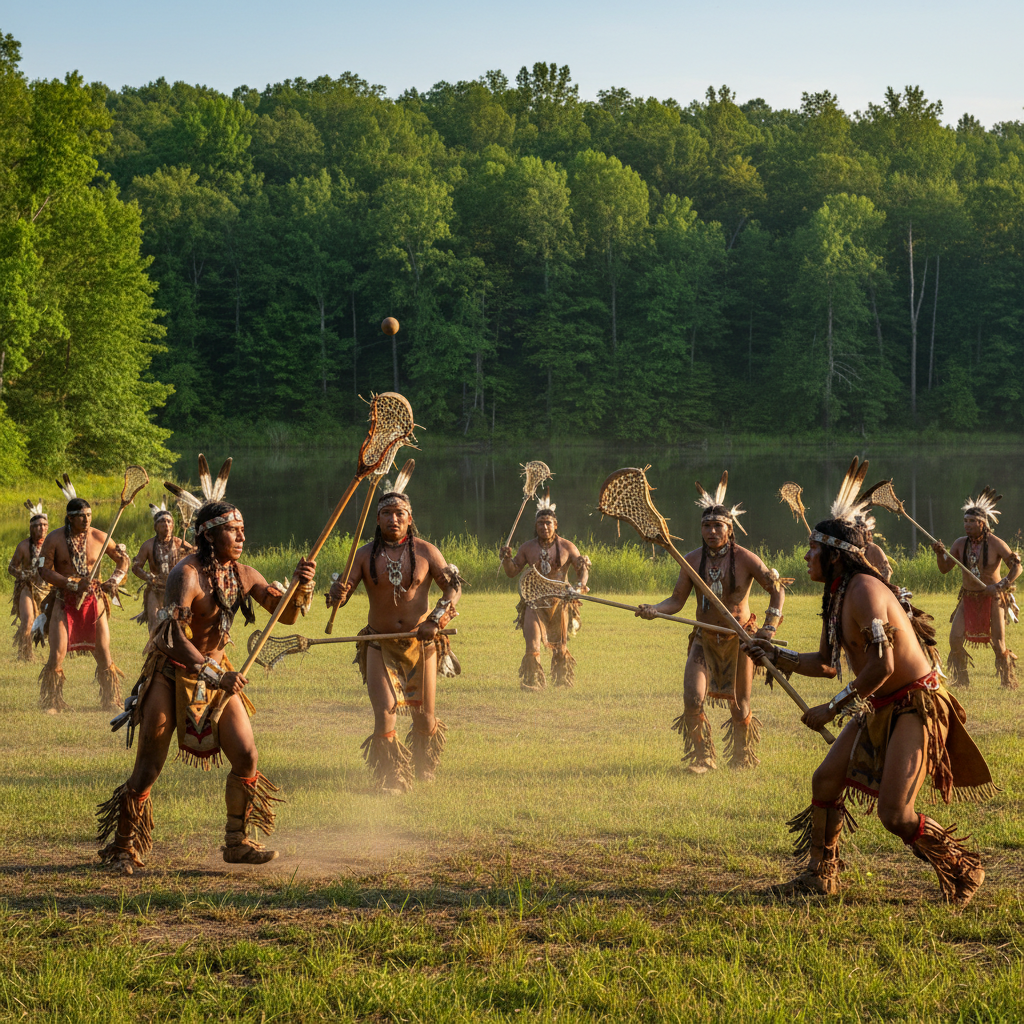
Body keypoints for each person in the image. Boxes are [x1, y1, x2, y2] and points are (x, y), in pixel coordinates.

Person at [743, 461, 994, 904]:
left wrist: (833, 708)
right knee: (825, 781)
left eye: (812, 550)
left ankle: (963, 868)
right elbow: (824, 663)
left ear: (834, 554)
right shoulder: (836, 595)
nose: (805, 557)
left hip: (916, 703)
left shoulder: (864, 591)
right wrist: (775, 655)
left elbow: (882, 665)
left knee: (895, 813)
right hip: (879, 703)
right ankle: (821, 876)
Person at [96, 500, 316, 873]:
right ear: (208, 534)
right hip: (173, 671)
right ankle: (122, 847)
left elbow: (287, 614)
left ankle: (236, 841)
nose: (242, 536)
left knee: (246, 755)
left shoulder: (244, 574)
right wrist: (213, 673)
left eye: (243, 528)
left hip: (218, 673)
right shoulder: (187, 574)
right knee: (148, 768)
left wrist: (301, 586)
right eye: (233, 529)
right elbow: (172, 636)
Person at [636, 472, 787, 772]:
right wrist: (655, 609)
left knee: (739, 704)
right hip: (704, 638)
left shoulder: (745, 559)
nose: (711, 531)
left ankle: (742, 756)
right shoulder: (691, 560)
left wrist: (769, 628)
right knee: (692, 698)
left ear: (730, 530)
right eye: (706, 525)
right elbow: (677, 601)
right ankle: (702, 756)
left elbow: (777, 591)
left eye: (718, 526)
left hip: (740, 641)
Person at [328, 491, 463, 794]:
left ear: (409, 518)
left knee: (424, 716)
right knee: (385, 711)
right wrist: (336, 594)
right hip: (380, 643)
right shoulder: (364, 555)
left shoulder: (426, 552)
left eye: (400, 513)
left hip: (422, 643)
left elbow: (453, 588)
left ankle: (424, 763)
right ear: (377, 519)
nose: (393, 518)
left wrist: (436, 620)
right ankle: (392, 777)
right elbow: (344, 593)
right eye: (387, 513)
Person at [37, 479, 131, 713]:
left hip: (93, 600)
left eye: (89, 514)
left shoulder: (100, 536)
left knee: (103, 651)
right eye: (81, 515)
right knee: (57, 651)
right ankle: (53, 702)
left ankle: (111, 699)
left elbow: (123, 561)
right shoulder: (54, 539)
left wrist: (114, 580)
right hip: (63, 600)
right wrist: (69, 583)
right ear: (70, 518)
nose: (86, 519)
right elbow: (43, 570)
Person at [500, 492, 591, 691]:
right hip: (534, 602)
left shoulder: (567, 546)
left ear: (555, 525)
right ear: (536, 526)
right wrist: (506, 559)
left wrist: (579, 586)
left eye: (548, 522)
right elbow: (512, 572)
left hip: (560, 602)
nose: (544, 526)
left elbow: (582, 568)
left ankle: (561, 682)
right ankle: (534, 683)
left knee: (560, 648)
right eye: (540, 523)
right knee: (532, 646)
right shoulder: (527, 548)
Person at [933, 488, 1021, 689]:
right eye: (965, 521)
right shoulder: (959, 544)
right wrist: (940, 554)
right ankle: (962, 680)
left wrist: (1001, 585)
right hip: (968, 597)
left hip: (994, 598)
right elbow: (945, 569)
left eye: (972, 522)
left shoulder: (996, 543)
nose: (967, 525)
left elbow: (1017, 567)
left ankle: (1007, 681)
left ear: (982, 523)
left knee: (998, 645)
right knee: (955, 639)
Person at [131, 503, 194, 632]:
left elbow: (196, 559)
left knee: (179, 623)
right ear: (156, 526)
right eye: (162, 522)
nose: (166, 524)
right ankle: (155, 649)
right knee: (155, 621)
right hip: (155, 589)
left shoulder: (179, 543)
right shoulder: (148, 545)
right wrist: (150, 577)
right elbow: (136, 567)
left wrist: (192, 551)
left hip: (177, 590)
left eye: (169, 521)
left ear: (173, 526)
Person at [8, 500, 51, 662]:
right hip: (27, 587)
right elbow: (11, 568)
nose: (42, 528)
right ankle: (25, 654)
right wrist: (23, 575)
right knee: (27, 621)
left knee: (48, 623)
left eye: (44, 525)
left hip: (47, 589)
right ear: (31, 528)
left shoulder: (51, 545)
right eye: (38, 525)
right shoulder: (23, 546)